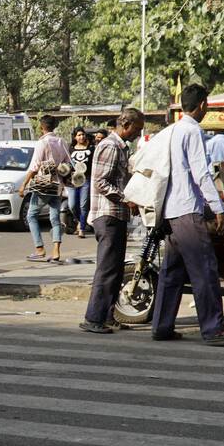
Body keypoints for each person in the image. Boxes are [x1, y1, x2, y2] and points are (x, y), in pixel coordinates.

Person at [151, 84, 224, 344]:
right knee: (205, 268)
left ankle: (161, 326)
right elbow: (201, 174)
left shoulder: (173, 130)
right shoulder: (192, 131)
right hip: (187, 209)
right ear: (203, 104)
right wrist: (220, 209)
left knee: (172, 272)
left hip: (172, 211)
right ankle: (213, 327)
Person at [81, 108, 145, 333]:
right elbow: (100, 182)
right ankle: (93, 318)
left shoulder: (120, 147)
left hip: (116, 215)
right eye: (136, 129)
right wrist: (125, 199)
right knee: (107, 269)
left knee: (115, 269)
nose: (137, 134)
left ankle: (107, 315)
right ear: (126, 125)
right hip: (107, 214)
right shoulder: (110, 146)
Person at [18, 114, 71, 263]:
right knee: (54, 217)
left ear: (41, 127)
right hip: (58, 185)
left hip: (44, 185)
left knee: (31, 216)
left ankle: (39, 248)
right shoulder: (62, 141)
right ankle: (56, 250)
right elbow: (68, 163)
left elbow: (35, 166)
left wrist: (24, 184)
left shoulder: (42, 143)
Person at [67, 127, 94, 238]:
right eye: (78, 135)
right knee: (72, 205)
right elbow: (66, 164)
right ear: (75, 137)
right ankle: (79, 220)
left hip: (86, 179)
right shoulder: (70, 149)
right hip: (73, 180)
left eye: (82, 134)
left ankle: (82, 228)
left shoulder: (91, 149)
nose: (81, 137)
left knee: (83, 205)